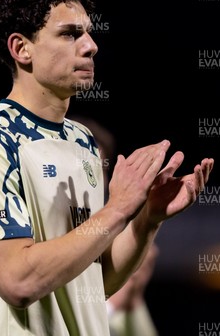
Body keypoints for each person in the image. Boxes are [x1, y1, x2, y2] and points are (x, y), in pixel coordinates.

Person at [0, 0, 214, 336]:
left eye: (88, 33)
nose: (91, 45)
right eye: (70, 34)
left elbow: (94, 280)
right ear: (21, 48)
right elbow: (18, 282)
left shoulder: (83, 141)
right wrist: (118, 208)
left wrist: (146, 219)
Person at [70, 114, 160, 336]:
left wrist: (133, 298)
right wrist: (113, 305)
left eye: (98, 171)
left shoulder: (113, 244)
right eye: (83, 170)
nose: (92, 181)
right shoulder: (42, 238)